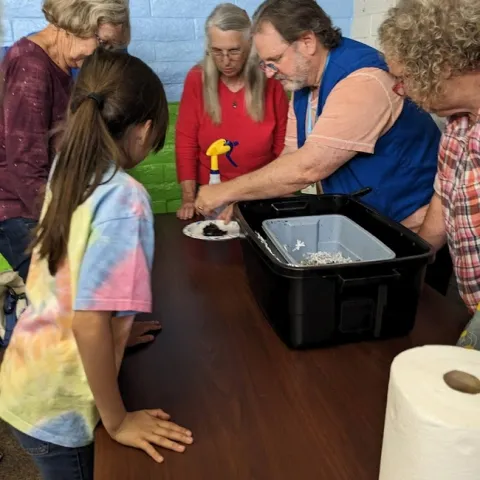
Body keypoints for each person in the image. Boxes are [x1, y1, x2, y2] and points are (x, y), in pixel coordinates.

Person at [0, 48, 193, 480]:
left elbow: (70, 283)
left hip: (26, 378)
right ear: (144, 131)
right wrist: (119, 420)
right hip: (61, 405)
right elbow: (88, 321)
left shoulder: (69, 167)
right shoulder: (126, 199)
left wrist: (116, 323)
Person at [194, 0, 452, 295]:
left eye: (274, 59)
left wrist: (226, 190)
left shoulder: (363, 80)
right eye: (264, 62)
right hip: (365, 229)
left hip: (414, 233)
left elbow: (309, 167)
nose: (268, 72)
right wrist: (244, 203)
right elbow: (291, 158)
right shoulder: (303, 85)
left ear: (307, 41)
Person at [0, 0, 130, 284]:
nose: (100, 57)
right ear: (79, 23)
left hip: (42, 199)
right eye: (103, 43)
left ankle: (114, 328)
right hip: (19, 208)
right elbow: (25, 164)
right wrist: (66, 225)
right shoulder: (31, 65)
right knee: (67, 293)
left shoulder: (57, 64)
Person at [377, 0, 480, 348]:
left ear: (443, 65)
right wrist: (413, 253)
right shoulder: (457, 124)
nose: (399, 89)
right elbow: (444, 193)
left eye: (403, 77)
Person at [175, 2, 288, 220]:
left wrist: (278, 194)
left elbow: (283, 148)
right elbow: (186, 142)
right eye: (217, 52)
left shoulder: (272, 80)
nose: (225, 61)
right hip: (210, 196)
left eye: (234, 51)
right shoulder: (196, 78)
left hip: (260, 194)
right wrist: (189, 199)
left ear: (250, 44)